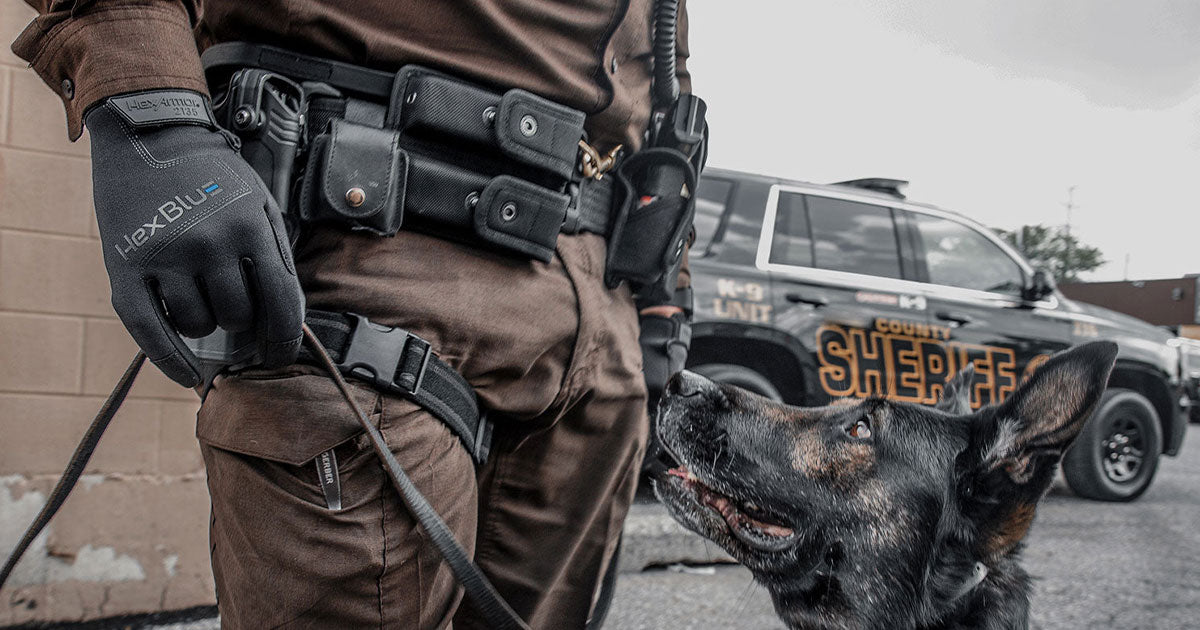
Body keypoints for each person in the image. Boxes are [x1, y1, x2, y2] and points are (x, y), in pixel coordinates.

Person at [12, 1, 696, 628]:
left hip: (601, 323)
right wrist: (149, 112)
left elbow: (665, 78)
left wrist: (668, 298)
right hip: (368, 267)